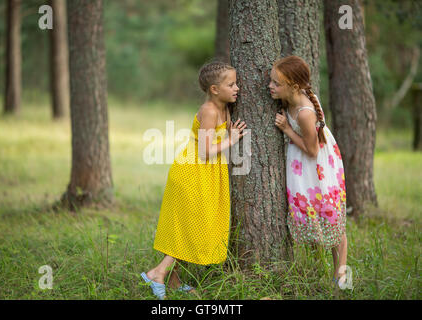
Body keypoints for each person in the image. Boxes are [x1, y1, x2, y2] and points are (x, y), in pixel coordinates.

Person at [141, 61, 248, 299]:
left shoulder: (226, 106)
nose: (237, 88)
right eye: (231, 84)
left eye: (236, 83)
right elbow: (205, 151)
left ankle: (173, 278)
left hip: (208, 173)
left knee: (190, 226)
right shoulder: (209, 110)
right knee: (191, 227)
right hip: (193, 171)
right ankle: (157, 273)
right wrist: (231, 139)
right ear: (214, 89)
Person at [269, 55, 348, 286]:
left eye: (276, 83)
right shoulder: (291, 99)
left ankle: (342, 278)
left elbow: (313, 151)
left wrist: (286, 129)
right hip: (304, 166)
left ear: (293, 87)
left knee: (332, 221)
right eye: (271, 80)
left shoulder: (304, 112)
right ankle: (319, 270)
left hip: (317, 168)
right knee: (316, 218)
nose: (270, 86)